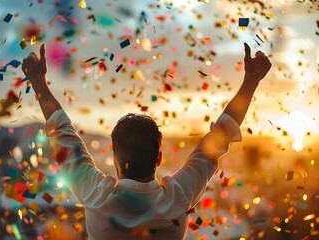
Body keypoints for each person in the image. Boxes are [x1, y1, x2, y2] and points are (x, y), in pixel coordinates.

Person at [21, 42, 271, 239]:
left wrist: (38, 81)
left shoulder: (96, 195)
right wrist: (251, 80)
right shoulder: (179, 195)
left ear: (114, 158)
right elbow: (221, 135)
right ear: (159, 157)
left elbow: (62, 131)